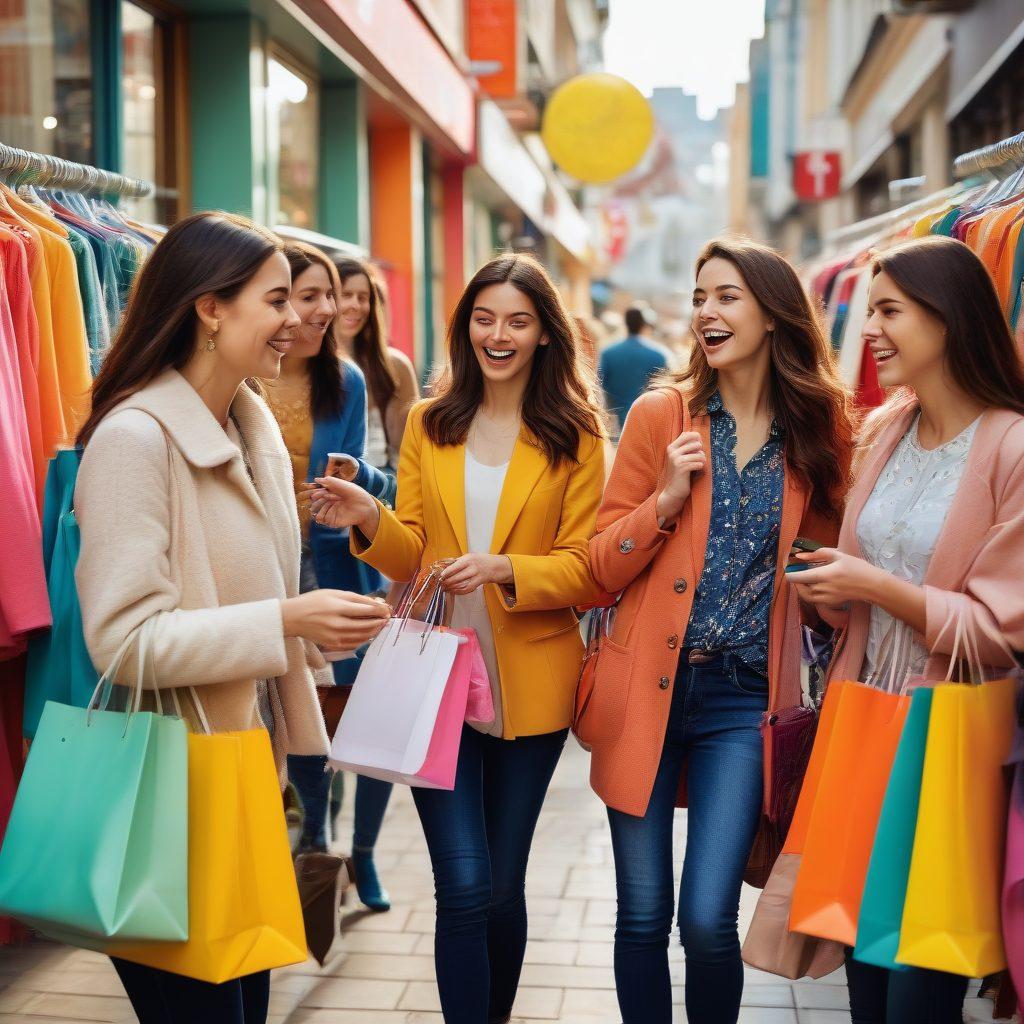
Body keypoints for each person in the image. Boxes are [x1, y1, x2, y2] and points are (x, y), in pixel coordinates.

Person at [73, 212, 391, 1024]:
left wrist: (313, 632)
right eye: (278, 299)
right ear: (209, 308)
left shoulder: (248, 429)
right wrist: (289, 617)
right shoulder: (136, 439)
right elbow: (123, 640)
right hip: (170, 796)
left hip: (246, 778)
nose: (302, 318)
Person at [308, 252, 607, 1024]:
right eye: (483, 318)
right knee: (463, 883)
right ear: (463, 325)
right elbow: (411, 545)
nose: (497, 335)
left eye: (516, 321)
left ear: (545, 334)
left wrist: (508, 567)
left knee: (503, 885)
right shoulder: (428, 423)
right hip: (435, 673)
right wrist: (370, 520)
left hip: (531, 685)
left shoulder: (576, 435)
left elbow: (588, 570)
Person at [587, 238, 854, 1024]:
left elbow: (829, 568)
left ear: (774, 314)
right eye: (701, 295)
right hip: (644, 690)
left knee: (708, 921)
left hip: (741, 702)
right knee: (642, 915)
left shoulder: (821, 430)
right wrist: (664, 499)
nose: (707, 310)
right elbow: (602, 563)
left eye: (727, 295)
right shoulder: (658, 414)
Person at [789, 235, 1024, 1024]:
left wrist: (875, 585)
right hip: (862, 725)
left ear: (948, 319)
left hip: (947, 742)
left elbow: (1002, 631)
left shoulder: (1012, 448)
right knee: (862, 972)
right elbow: (855, 590)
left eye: (889, 311)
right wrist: (823, 586)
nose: (871, 330)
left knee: (917, 986)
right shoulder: (883, 429)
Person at [263, 242, 396, 859]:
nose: (327, 309)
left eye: (329, 295)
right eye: (307, 295)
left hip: (335, 568)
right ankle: (312, 848)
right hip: (265, 570)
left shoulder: (346, 379)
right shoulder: (244, 376)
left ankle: (357, 855)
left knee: (360, 719)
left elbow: (383, 485)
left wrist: (359, 476)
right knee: (297, 722)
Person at [321, 255, 420, 911]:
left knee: (378, 717)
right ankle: (320, 853)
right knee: (323, 718)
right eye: (340, 294)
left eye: (361, 295)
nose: (351, 306)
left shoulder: (391, 372)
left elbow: (410, 480)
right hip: (322, 556)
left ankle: (364, 851)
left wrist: (365, 487)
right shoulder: (306, 372)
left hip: (378, 553)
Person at [599, 304, 670, 433]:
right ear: (644, 325)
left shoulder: (608, 353)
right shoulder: (658, 354)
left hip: (616, 424)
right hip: (649, 424)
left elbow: (600, 387)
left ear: (625, 323)